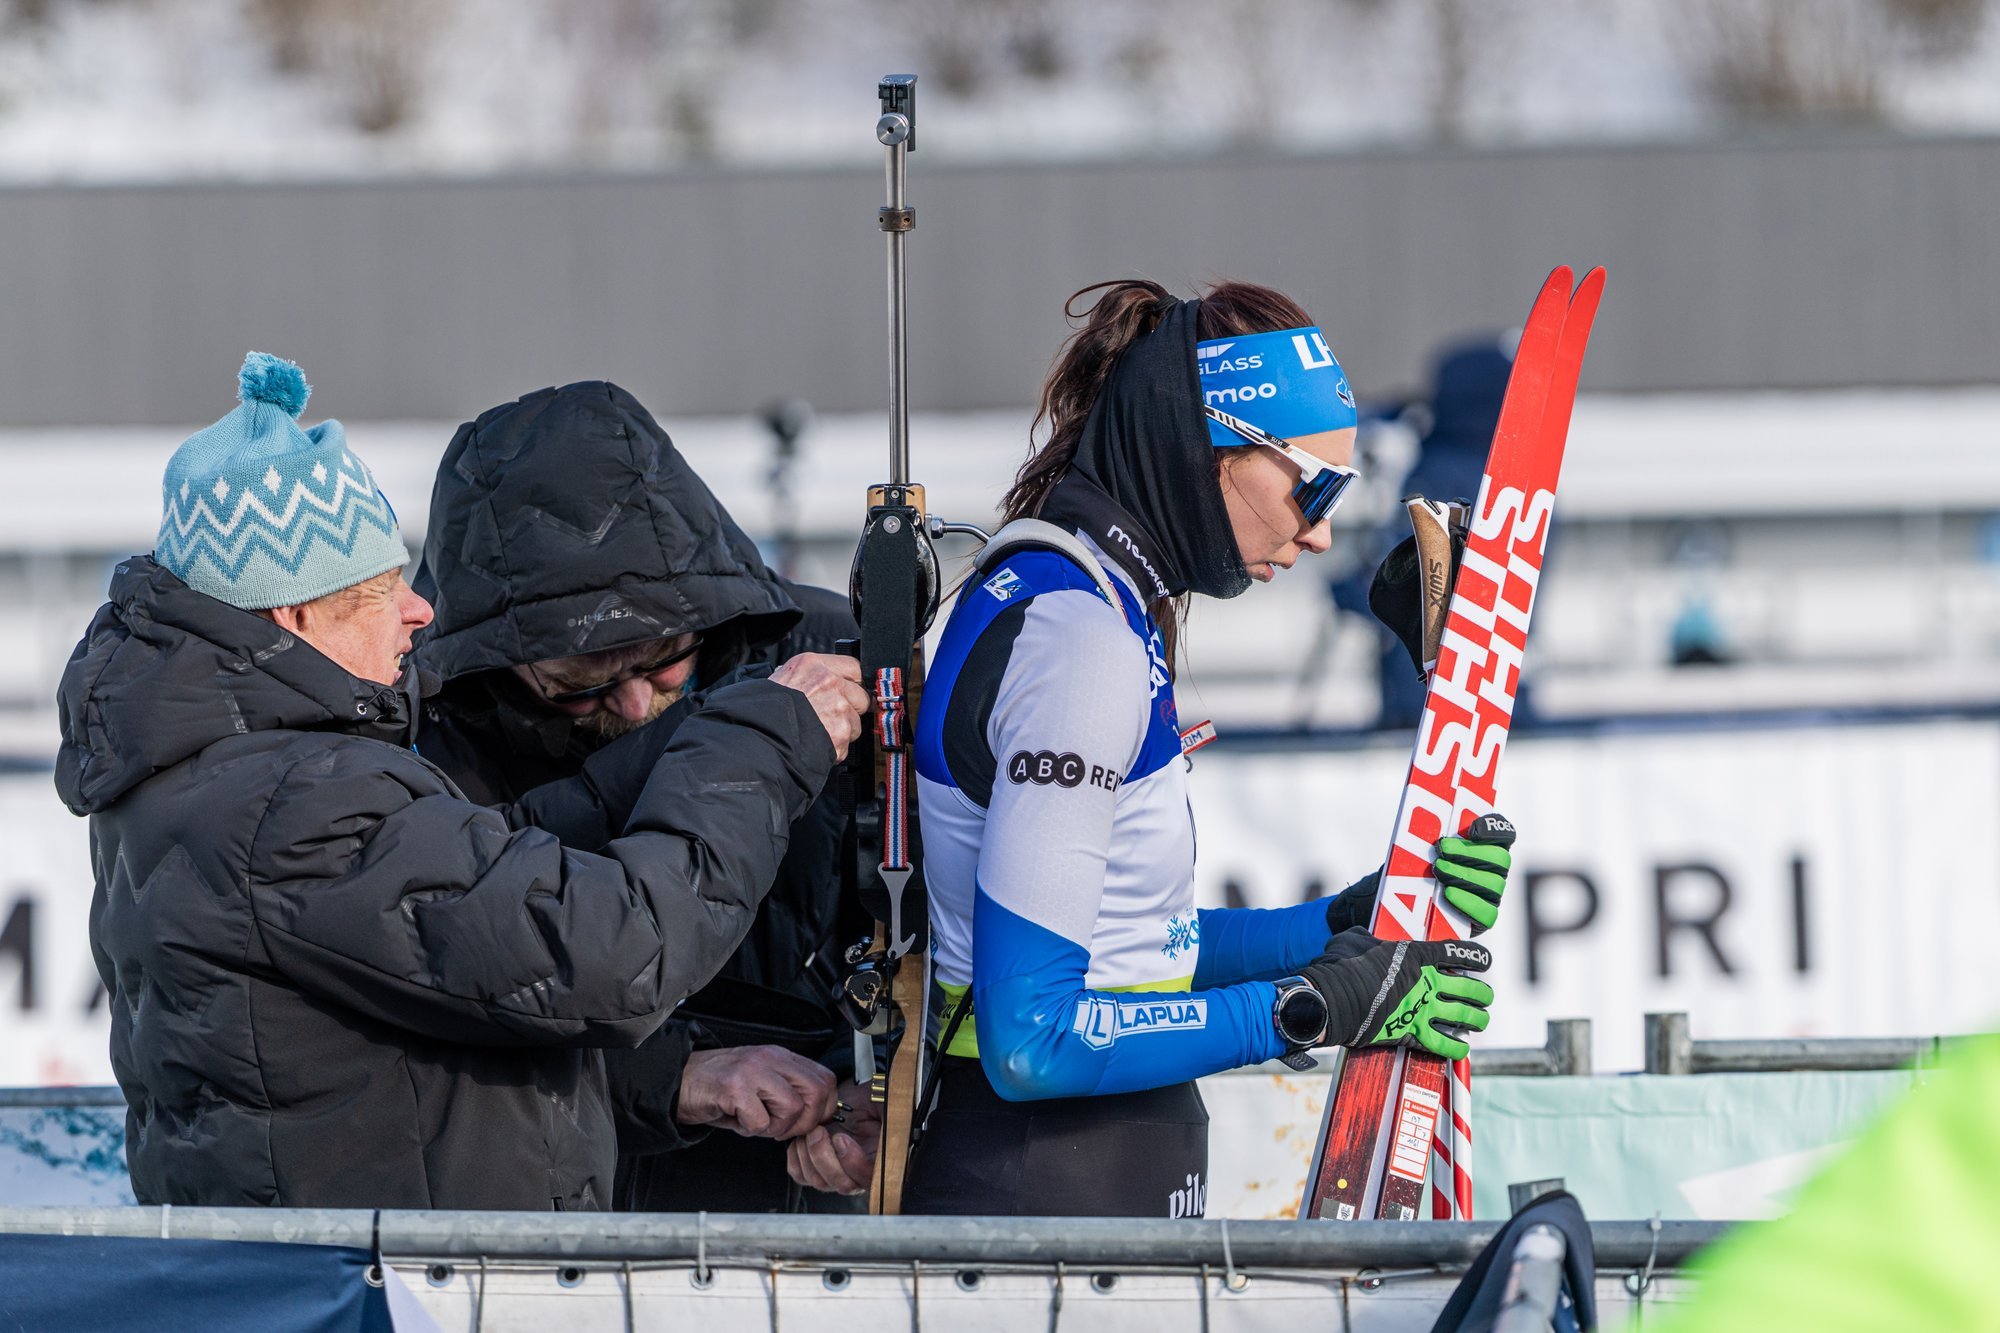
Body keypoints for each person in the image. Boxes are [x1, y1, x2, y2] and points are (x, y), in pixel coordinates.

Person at [56, 353, 868, 1209]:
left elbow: (496, 884)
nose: (419, 610)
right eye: (380, 588)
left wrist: (704, 728)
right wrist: (764, 737)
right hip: (392, 1275)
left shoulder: (230, 773)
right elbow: (609, 951)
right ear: (295, 617)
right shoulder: (297, 804)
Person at [904, 280, 1517, 1217]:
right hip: (1046, 1204)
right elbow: (1034, 1041)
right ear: (1208, 444)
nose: (1320, 533)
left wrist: (1345, 925)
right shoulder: (1079, 638)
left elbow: (1141, 952)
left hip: (1082, 1197)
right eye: (1313, 486)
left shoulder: (1089, 601)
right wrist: (1308, 1007)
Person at [410, 379, 876, 1208]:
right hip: (562, 1226)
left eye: (666, 661)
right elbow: (434, 1032)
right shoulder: (433, 749)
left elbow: (936, 942)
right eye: (578, 686)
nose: (631, 704)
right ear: (494, 661)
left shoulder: (827, 655)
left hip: (807, 1212)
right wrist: (674, 1076)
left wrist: (878, 1097)